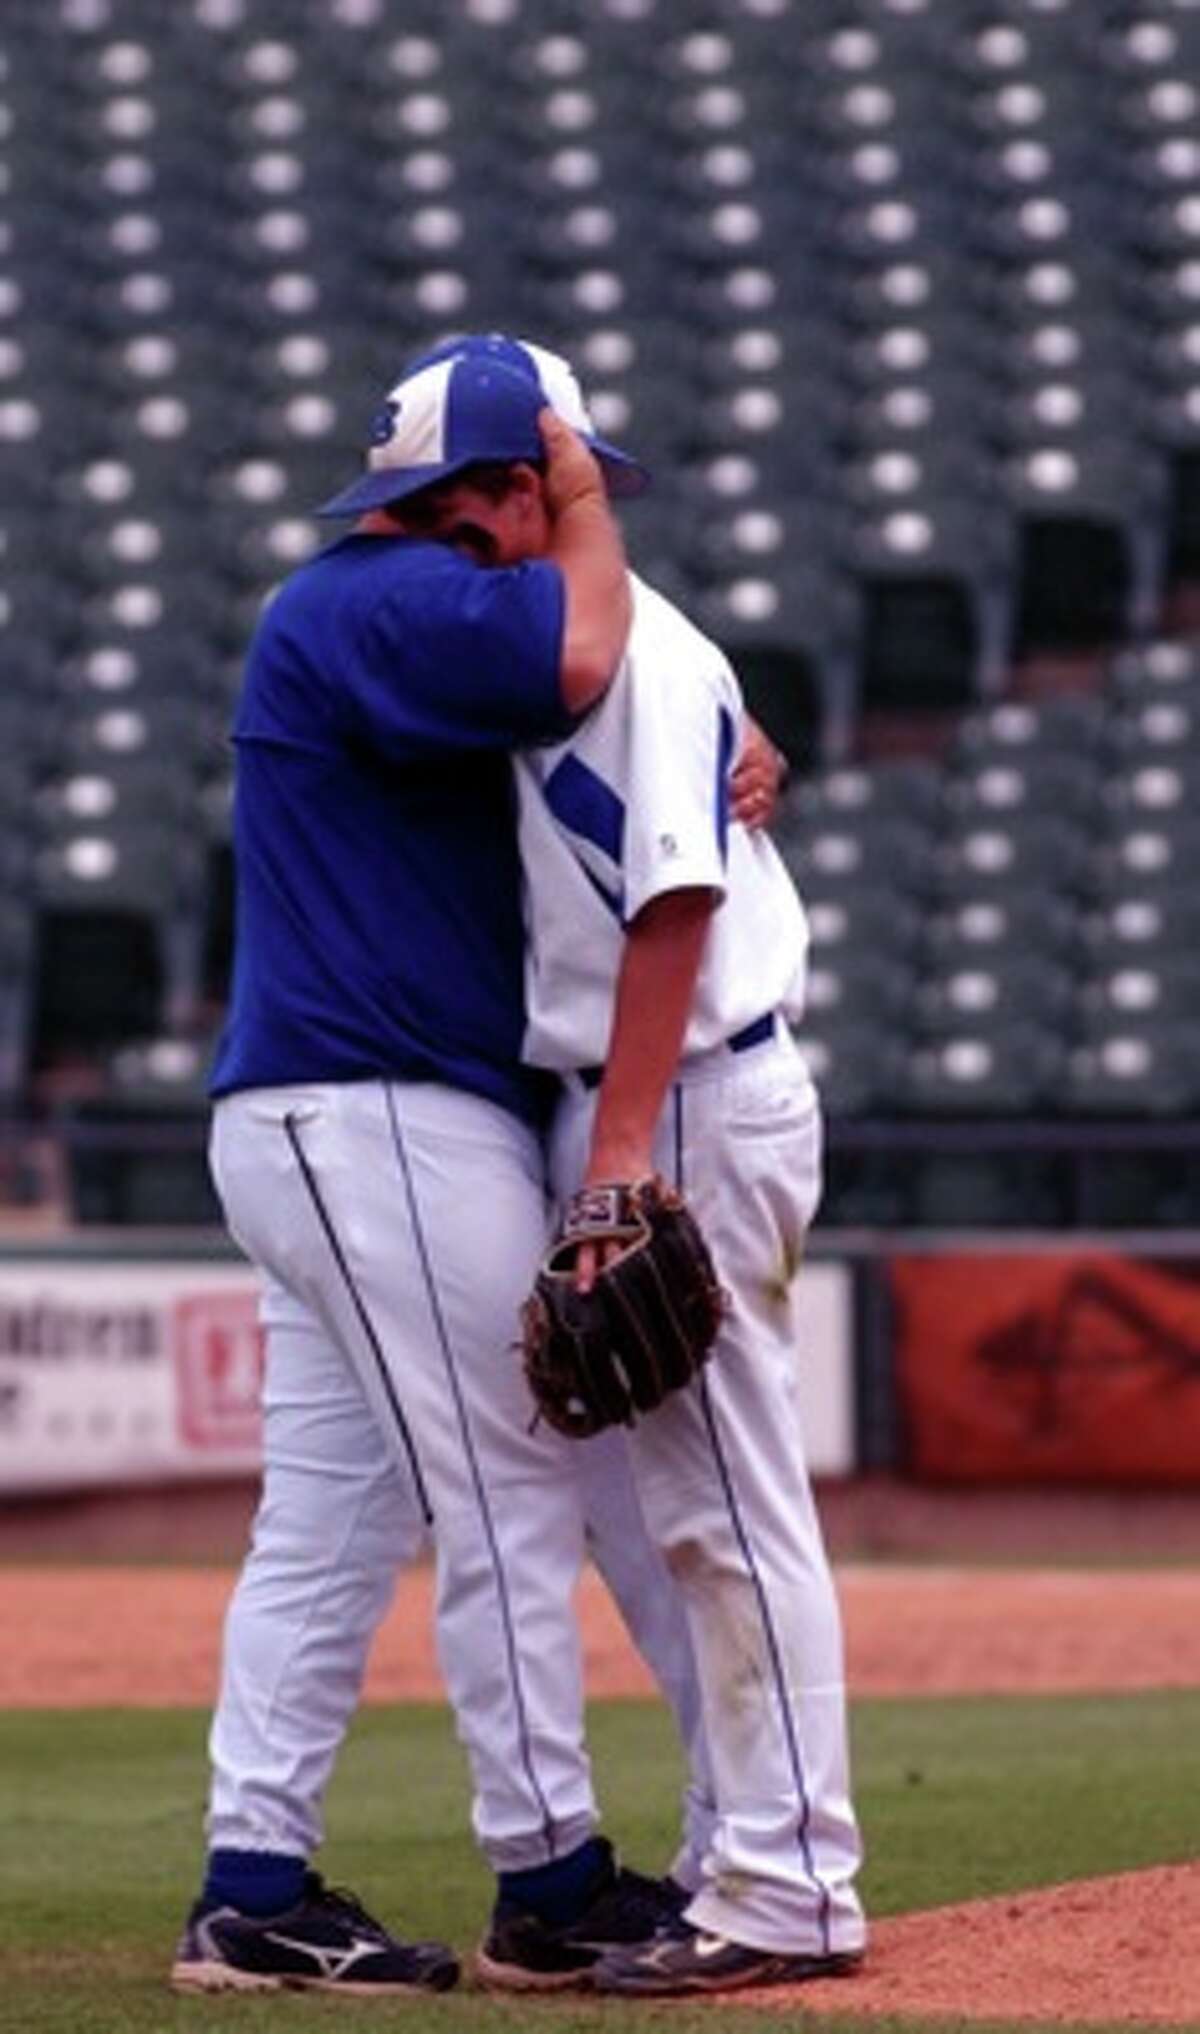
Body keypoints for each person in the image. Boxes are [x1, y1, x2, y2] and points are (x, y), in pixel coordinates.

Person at [169, 346, 778, 1997]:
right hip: (380, 1115)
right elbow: (587, 644)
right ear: (495, 493)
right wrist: (578, 497)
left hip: (324, 1120)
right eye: (558, 486)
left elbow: (596, 708)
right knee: (513, 1489)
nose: (577, 515)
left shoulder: (390, 618)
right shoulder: (394, 594)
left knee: (329, 1525)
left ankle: (251, 1886)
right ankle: (552, 1878)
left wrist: (730, 740)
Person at [388, 334, 868, 1997]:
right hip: (643, 1092)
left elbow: (677, 904)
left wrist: (611, 1170)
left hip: (686, 1095)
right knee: (670, 1512)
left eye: (454, 514)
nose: (437, 548)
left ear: (535, 490)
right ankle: (747, 1850)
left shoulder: (640, 655)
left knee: (729, 1508)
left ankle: (795, 1882)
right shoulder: (556, 654)